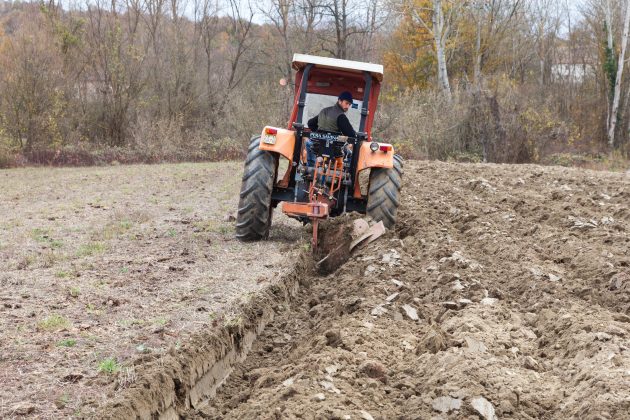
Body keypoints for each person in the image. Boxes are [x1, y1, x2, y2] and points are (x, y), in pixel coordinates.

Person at [305, 91, 357, 166]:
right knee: (350, 154)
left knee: (308, 143)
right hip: (334, 149)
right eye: (346, 103)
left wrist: (319, 133)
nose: (348, 106)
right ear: (340, 101)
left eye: (349, 104)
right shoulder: (341, 116)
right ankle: (349, 172)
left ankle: (310, 166)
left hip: (318, 146)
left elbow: (310, 123)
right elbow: (350, 134)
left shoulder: (324, 111)